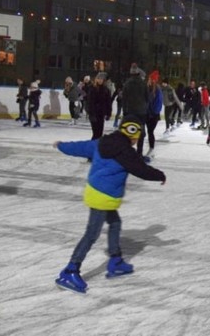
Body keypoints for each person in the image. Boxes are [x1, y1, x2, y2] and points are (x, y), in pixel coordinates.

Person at [53, 115, 166, 294]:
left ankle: (115, 261)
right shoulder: (126, 153)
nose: (137, 139)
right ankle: (70, 270)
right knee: (91, 234)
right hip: (103, 198)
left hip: (96, 193)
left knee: (115, 223)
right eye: (137, 136)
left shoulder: (103, 143)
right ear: (133, 134)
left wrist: (61, 145)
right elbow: (141, 170)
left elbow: (80, 147)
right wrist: (160, 175)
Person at [121, 63, 149, 156]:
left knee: (128, 131)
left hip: (130, 112)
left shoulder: (127, 83)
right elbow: (147, 98)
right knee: (140, 132)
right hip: (141, 112)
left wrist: (125, 111)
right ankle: (139, 153)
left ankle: (127, 152)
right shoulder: (143, 84)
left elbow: (124, 99)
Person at [87, 72, 112, 140]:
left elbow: (108, 103)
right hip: (94, 114)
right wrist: (91, 114)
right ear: (96, 79)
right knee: (95, 133)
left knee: (99, 133)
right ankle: (92, 148)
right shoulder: (92, 89)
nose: (100, 80)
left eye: (102, 79)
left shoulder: (106, 90)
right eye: (99, 78)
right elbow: (89, 102)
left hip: (101, 114)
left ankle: (97, 148)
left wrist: (108, 113)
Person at [144, 71, 163, 158]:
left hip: (153, 115)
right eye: (149, 79)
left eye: (151, 79)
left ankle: (152, 147)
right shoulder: (146, 88)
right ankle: (151, 147)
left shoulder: (158, 90)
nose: (150, 80)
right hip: (147, 114)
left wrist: (154, 112)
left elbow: (159, 103)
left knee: (150, 131)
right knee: (148, 131)